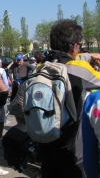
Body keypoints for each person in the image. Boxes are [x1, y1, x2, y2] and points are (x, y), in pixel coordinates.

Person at [10, 19, 100, 178]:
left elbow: (17, 106)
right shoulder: (82, 70)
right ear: (74, 46)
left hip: (45, 149)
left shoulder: (39, 69)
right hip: (72, 152)